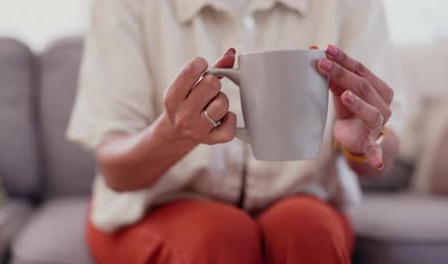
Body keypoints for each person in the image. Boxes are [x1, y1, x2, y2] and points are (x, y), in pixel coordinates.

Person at [67, 0, 405, 263]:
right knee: (218, 239)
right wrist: (171, 135)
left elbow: (381, 153)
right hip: (151, 208)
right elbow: (116, 172)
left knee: (308, 234)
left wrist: (364, 143)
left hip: (302, 199)